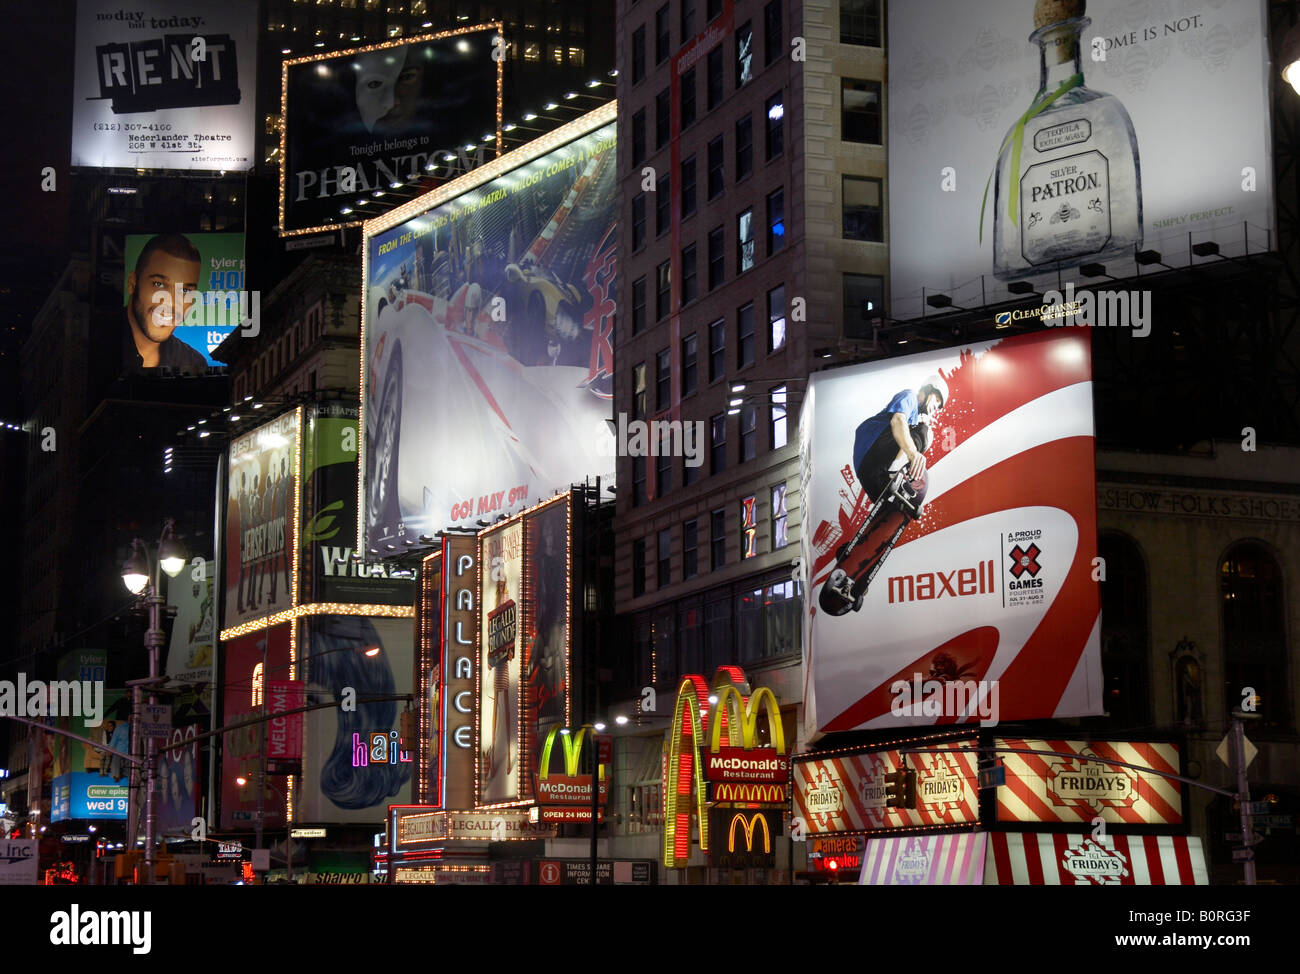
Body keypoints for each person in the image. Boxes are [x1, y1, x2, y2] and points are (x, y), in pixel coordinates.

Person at [851, 373, 949, 504]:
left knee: (888, 502)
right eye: (937, 400)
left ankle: (888, 491)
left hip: (869, 473)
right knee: (925, 432)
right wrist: (913, 453)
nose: (935, 408)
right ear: (929, 389)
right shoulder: (909, 396)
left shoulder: (915, 418)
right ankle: (894, 473)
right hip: (871, 447)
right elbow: (897, 420)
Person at [122, 233, 208, 373]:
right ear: (133, 283)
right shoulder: (101, 341)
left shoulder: (194, 363)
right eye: (159, 284)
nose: (171, 303)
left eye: (185, 290)